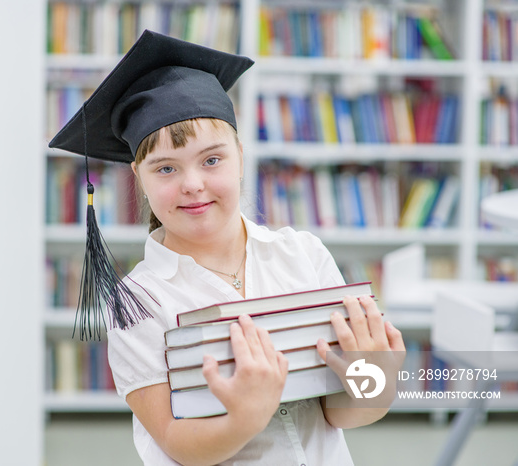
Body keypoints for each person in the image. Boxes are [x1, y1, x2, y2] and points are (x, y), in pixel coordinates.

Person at [50, 30, 406, 466]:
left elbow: (339, 412)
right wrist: (245, 416)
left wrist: (375, 378)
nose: (193, 183)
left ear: (240, 155)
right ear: (138, 178)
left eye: (212, 159)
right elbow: (175, 442)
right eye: (165, 168)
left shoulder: (303, 256)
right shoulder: (138, 303)